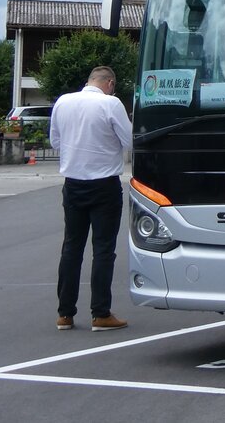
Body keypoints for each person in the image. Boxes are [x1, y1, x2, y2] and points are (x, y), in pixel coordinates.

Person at [50, 66, 133, 331]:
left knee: (71, 248)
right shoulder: (111, 103)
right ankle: (100, 313)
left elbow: (55, 142)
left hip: (73, 183)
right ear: (109, 83)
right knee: (103, 249)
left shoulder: (63, 101)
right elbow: (130, 141)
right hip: (104, 185)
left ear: (89, 81)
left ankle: (65, 314)